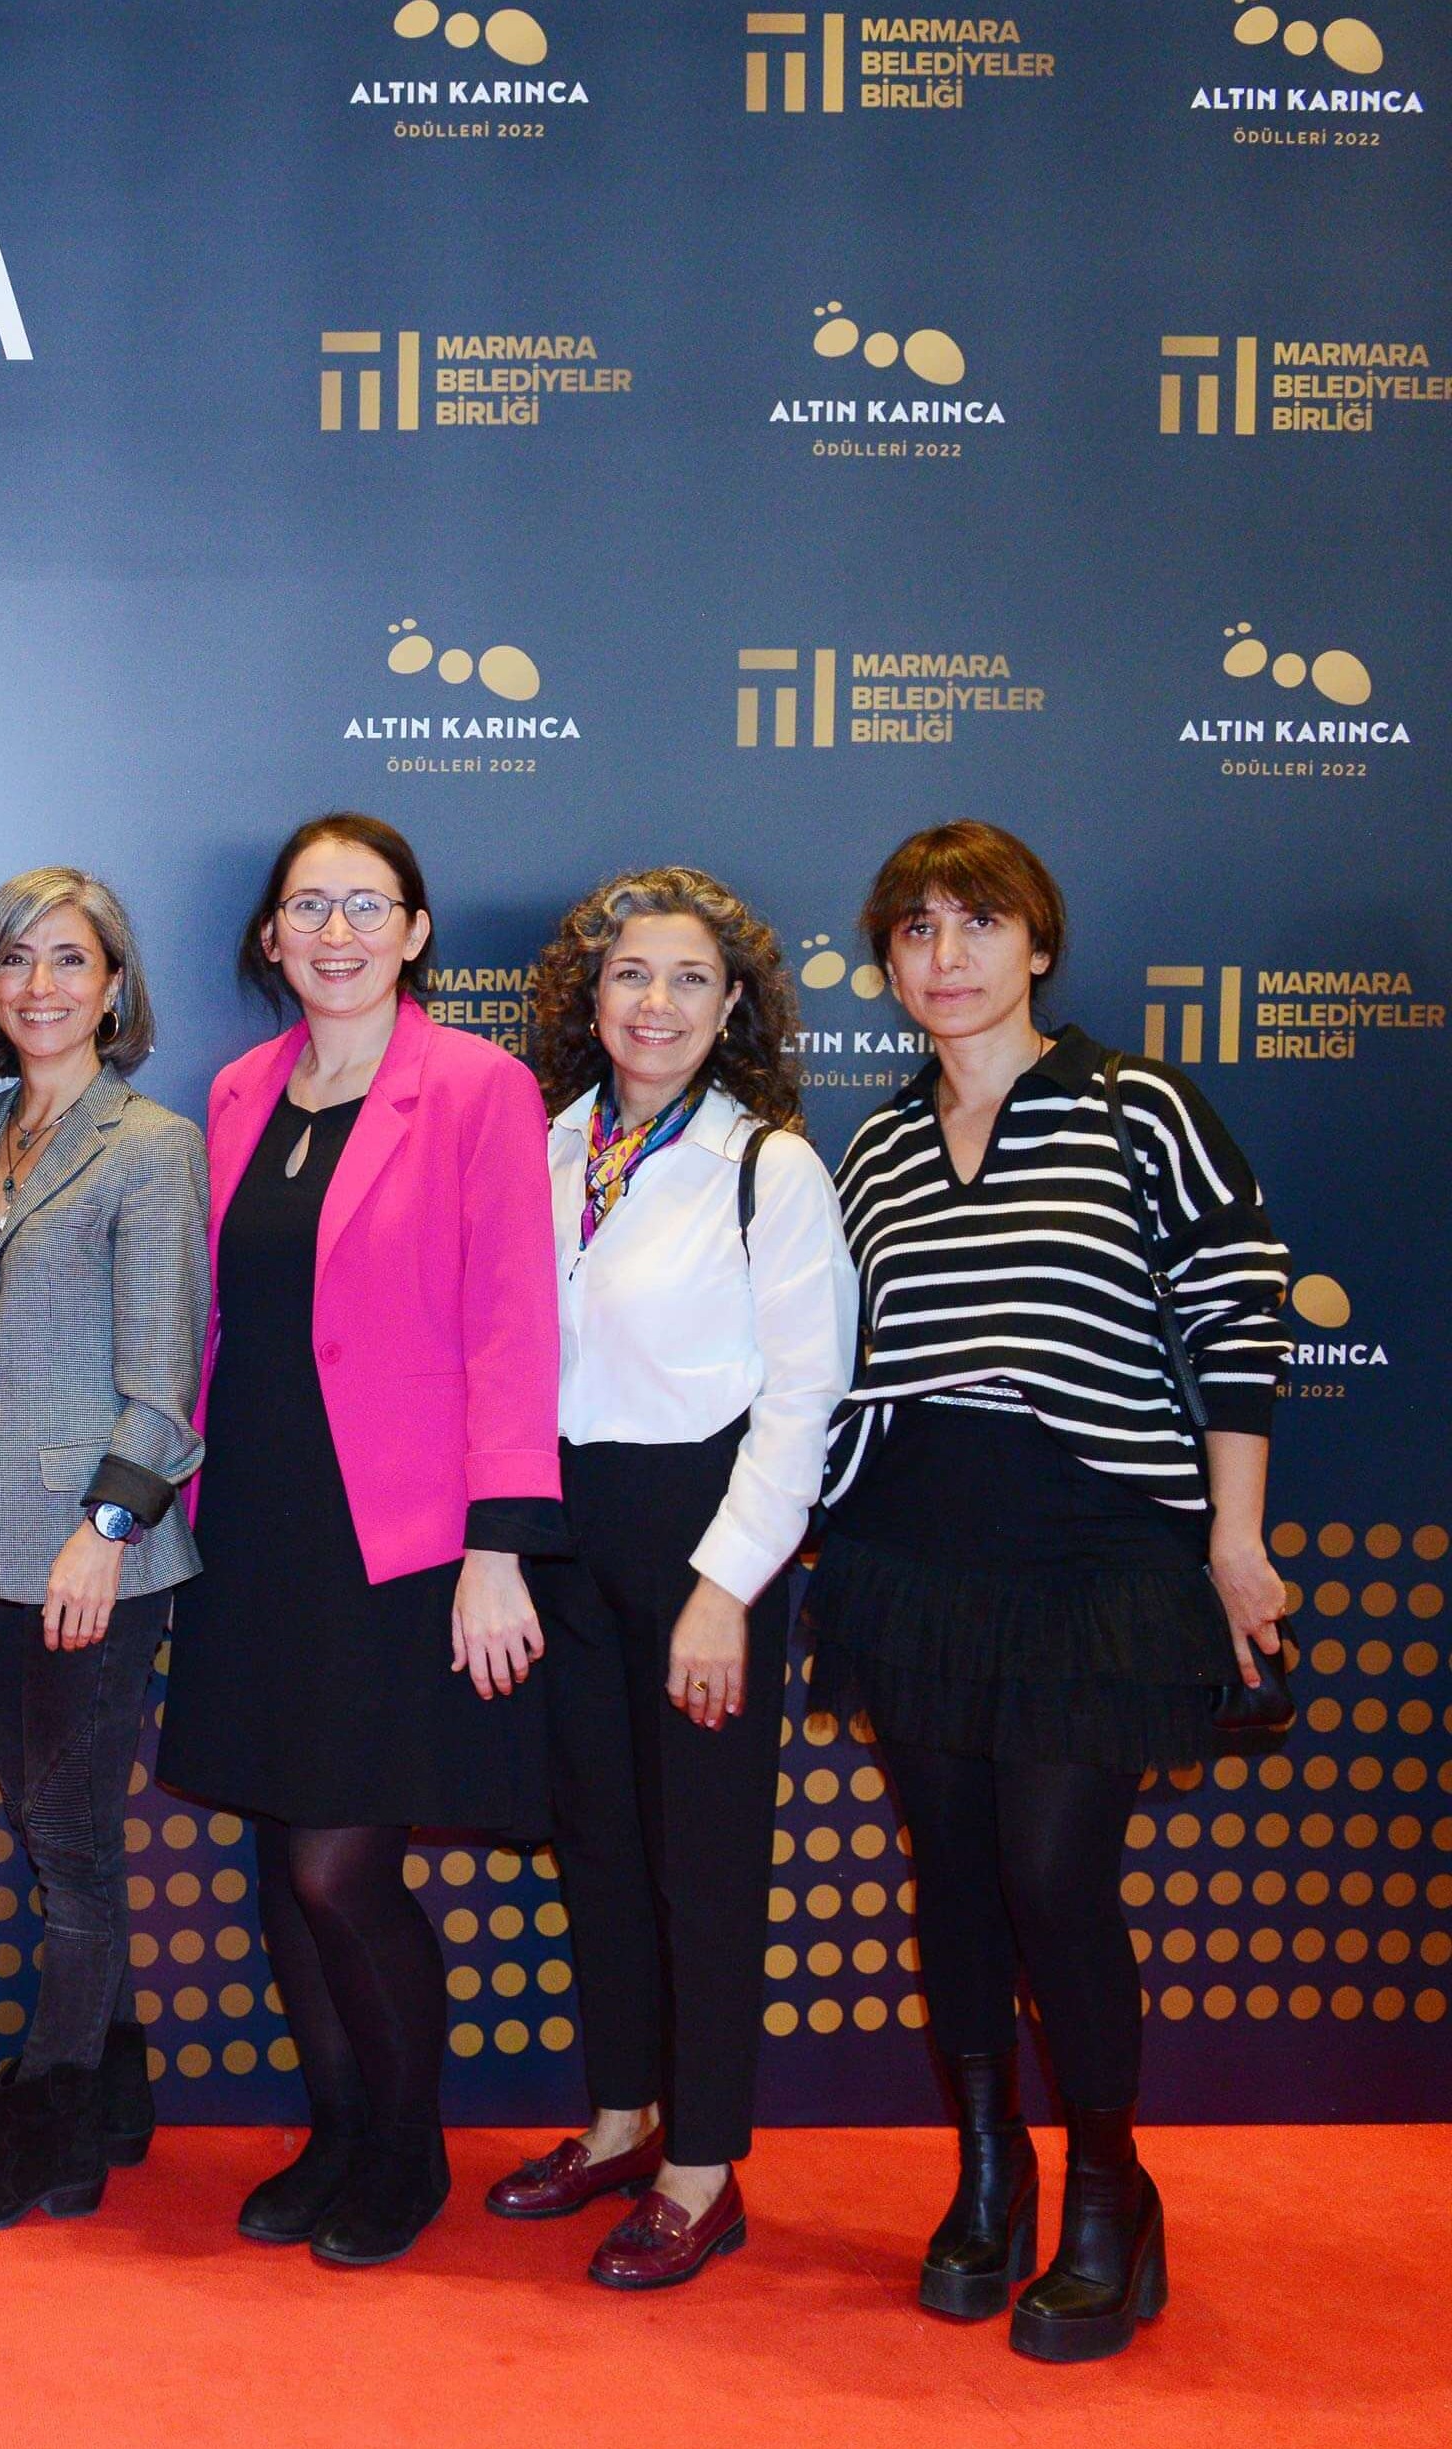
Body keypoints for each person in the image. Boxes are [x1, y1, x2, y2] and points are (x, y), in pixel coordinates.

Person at [804, 822, 1292, 2362]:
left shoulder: (1141, 1106)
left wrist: (1235, 1539)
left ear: (1041, 945)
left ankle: (1107, 2191)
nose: (945, 955)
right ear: (888, 963)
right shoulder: (875, 1148)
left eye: (978, 921)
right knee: (951, 1873)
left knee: (1052, 1871)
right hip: (910, 1558)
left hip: (1095, 1561)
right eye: (915, 929)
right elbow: (840, 1365)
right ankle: (988, 2170)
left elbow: (1239, 1313)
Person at [159, 812, 560, 2271]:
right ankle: (333, 2134)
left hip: (399, 1540)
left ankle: (406, 2147)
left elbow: (515, 1323)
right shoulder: (237, 1091)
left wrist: (499, 1545)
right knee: (281, 1853)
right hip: (253, 1521)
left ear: (416, 931)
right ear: (271, 935)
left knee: (341, 1868)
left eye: (366, 905)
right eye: (309, 907)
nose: (337, 933)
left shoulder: (481, 1088)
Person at [489, 869, 851, 2288]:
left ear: (733, 1003)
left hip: (706, 1535)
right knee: (600, 1850)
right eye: (631, 974)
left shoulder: (770, 1167)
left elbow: (805, 1398)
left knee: (702, 1864)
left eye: (690, 978)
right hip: (564, 1531)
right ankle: (621, 2122)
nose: (656, 1003)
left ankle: (703, 2170)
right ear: (590, 997)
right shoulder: (540, 1145)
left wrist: (726, 1587)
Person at [0, 869, 210, 2233]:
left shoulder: (152, 1145)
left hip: (94, 1555)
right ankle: (113, 2094)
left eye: (71, 960)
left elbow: (164, 1382)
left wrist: (107, 1529)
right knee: (47, 1834)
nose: (41, 986)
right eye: (16, 960)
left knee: (71, 1847)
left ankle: (51, 2137)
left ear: (115, 985)